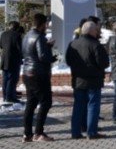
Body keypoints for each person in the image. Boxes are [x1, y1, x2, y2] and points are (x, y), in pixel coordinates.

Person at [65, 21, 109, 139]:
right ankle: (91, 132)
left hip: (78, 79)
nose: (97, 32)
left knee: (78, 106)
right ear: (91, 31)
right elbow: (104, 62)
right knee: (93, 106)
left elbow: (68, 61)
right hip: (93, 80)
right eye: (96, 30)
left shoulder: (72, 44)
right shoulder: (95, 44)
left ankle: (75, 132)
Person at [21, 13, 57, 142]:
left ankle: (27, 134)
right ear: (43, 24)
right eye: (46, 24)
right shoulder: (40, 37)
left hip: (27, 72)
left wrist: (47, 47)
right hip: (38, 74)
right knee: (46, 102)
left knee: (31, 103)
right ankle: (39, 132)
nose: (46, 27)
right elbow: (42, 57)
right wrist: (52, 56)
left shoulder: (26, 36)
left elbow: (29, 53)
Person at [1, 21, 23, 104]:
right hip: (14, 60)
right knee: (12, 79)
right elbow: (20, 49)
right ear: (17, 27)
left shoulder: (3, 34)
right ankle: (10, 97)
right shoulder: (17, 35)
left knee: (5, 79)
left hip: (4, 60)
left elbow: (1, 46)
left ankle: (5, 96)